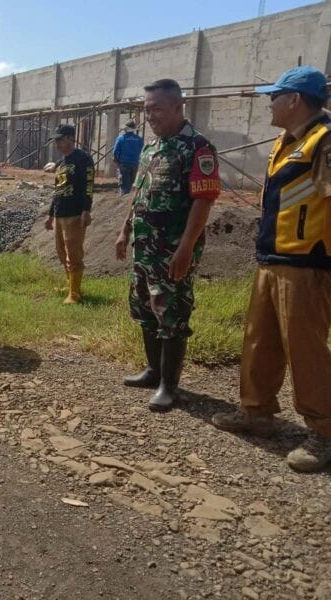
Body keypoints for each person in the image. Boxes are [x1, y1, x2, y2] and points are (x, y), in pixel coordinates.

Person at [212, 66, 331, 472]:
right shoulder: (286, 141)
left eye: (275, 96)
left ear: (295, 100)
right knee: (259, 340)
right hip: (272, 258)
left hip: (306, 265)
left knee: (306, 350)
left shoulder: (324, 141)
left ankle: (324, 431)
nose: (269, 102)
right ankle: (257, 412)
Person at [115, 79, 220, 411]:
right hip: (144, 247)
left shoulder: (197, 147)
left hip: (173, 250)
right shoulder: (151, 147)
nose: (150, 116)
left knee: (171, 314)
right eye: (146, 110)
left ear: (178, 107)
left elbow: (203, 201)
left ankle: (169, 386)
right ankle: (153, 371)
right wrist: (124, 230)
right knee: (146, 309)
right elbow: (139, 194)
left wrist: (186, 248)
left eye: (156, 109)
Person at [44, 124, 95, 304]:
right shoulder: (61, 163)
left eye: (59, 140)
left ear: (70, 138)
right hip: (60, 213)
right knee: (61, 251)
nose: (56, 144)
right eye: (55, 140)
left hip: (75, 213)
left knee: (73, 253)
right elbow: (57, 190)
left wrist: (86, 210)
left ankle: (75, 293)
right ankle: (70, 285)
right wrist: (50, 215)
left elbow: (88, 185)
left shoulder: (83, 159)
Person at [113, 121, 144, 195]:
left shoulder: (121, 138)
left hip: (123, 164)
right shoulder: (139, 139)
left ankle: (123, 198)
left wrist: (115, 160)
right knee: (132, 184)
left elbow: (115, 152)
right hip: (135, 164)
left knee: (124, 186)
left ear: (125, 129)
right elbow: (141, 151)